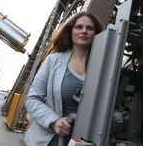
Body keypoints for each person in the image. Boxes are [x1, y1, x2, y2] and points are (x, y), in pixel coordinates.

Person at [24, 11, 103, 146]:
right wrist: (54, 121)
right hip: (49, 141)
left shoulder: (104, 68)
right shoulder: (53, 61)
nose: (84, 31)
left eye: (89, 28)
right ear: (70, 31)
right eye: (79, 27)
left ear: (96, 34)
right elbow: (32, 99)